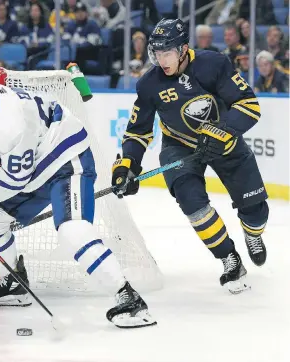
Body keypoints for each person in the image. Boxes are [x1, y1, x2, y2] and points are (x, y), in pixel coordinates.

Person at [0, 66, 156, 329]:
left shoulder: (9, 124)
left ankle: (128, 298)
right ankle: (13, 283)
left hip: (67, 163)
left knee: (73, 231)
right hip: (36, 166)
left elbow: (14, 180)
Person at [111, 19, 268, 295]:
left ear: (183, 49)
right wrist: (128, 165)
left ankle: (252, 234)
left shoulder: (214, 64)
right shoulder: (149, 84)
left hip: (224, 141)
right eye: (156, 53)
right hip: (180, 147)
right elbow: (137, 132)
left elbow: (249, 105)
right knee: (192, 202)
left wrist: (222, 131)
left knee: (257, 212)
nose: (161, 60)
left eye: (167, 53)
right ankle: (229, 258)